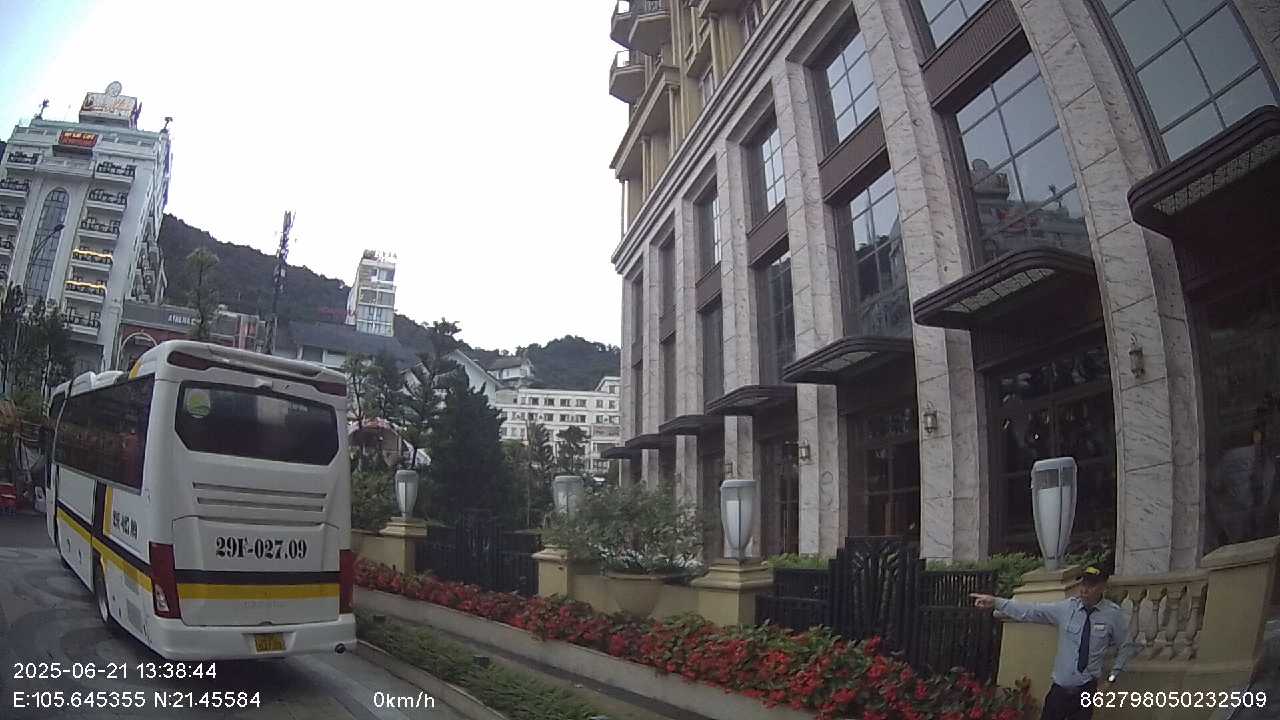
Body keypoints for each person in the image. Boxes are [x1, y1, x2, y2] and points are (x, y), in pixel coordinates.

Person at [971, 566, 1137, 720]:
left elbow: (1127, 646)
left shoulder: (1112, 615)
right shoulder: (1066, 608)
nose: (1085, 590)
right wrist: (996, 602)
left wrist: (1111, 679)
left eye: (1091, 585)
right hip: (1060, 689)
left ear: (1102, 587)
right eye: (1083, 584)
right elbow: (1032, 611)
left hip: (1086, 690)